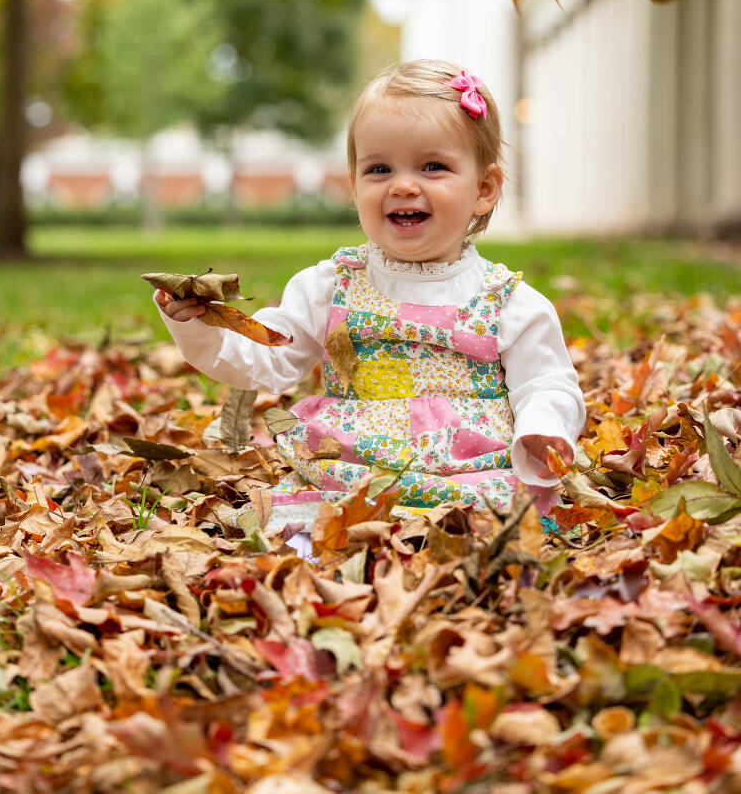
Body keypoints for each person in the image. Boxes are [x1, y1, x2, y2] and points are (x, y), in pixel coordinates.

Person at [155, 60, 584, 548]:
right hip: (351, 469)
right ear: (356, 186)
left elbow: (546, 382)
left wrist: (544, 428)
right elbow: (269, 359)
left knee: (491, 531)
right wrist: (201, 327)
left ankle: (453, 558)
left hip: (468, 470)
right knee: (304, 531)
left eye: (432, 166)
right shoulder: (331, 286)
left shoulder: (507, 301)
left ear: (484, 189)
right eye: (379, 168)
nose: (402, 184)